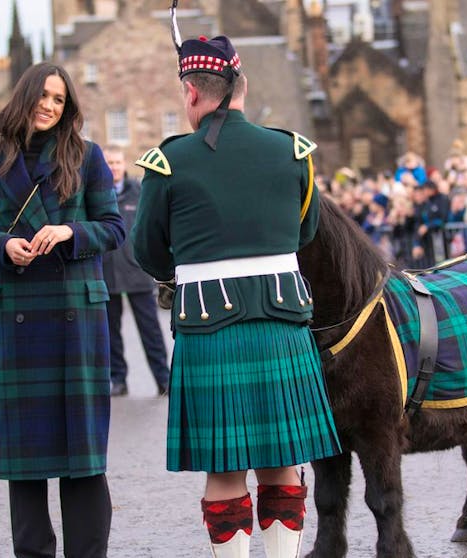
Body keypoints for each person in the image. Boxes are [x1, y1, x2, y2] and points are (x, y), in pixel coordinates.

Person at [131, 32, 341, 557]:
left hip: (208, 327)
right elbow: (306, 231)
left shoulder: (168, 161)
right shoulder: (292, 151)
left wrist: (189, 268)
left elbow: (147, 251)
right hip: (281, 323)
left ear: (192, 92)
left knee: (224, 470)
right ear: (241, 87)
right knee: (282, 463)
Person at [0, 61, 124, 558]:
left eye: (59, 99)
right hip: (19, 310)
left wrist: (69, 231)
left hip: (76, 311)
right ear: (25, 96)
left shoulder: (87, 156)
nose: (50, 106)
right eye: (44, 96)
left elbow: (115, 228)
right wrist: (3, 246)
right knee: (25, 458)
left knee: (83, 453)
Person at [101, 145, 170, 397]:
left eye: (117, 163)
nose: (113, 168)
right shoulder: (96, 193)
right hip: (106, 273)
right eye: (109, 163)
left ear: (124, 164)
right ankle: (118, 379)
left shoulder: (139, 192)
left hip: (137, 272)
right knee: (111, 333)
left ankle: (163, 379)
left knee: (150, 331)